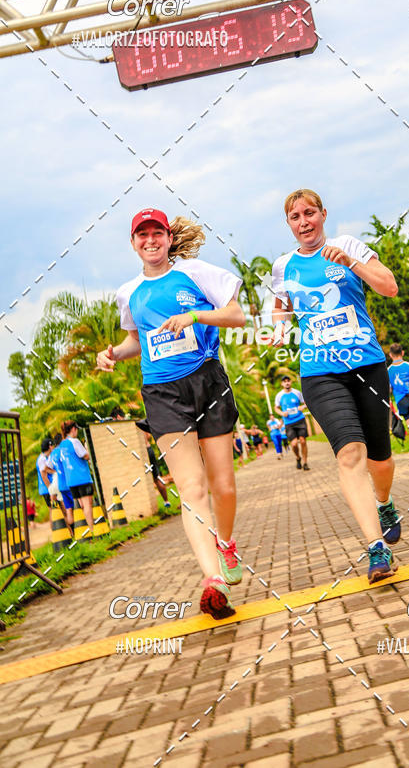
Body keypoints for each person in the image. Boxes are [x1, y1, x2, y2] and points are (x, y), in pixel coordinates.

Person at [96, 207, 246, 620]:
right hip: (162, 392)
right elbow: (136, 342)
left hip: (207, 381)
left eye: (156, 233)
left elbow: (236, 315)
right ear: (133, 243)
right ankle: (213, 581)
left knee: (223, 485)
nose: (150, 240)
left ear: (167, 237)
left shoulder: (195, 273)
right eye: (141, 235)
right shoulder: (129, 293)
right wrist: (111, 354)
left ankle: (226, 545)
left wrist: (193, 316)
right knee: (192, 487)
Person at [272, 189, 400, 583]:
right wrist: (278, 327)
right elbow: (280, 307)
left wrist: (352, 263)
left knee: (380, 457)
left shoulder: (346, 245)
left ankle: (385, 502)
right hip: (319, 371)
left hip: (367, 364)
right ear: (289, 224)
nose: (304, 221)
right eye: (295, 217)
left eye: (309, 213)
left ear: (323, 214)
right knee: (350, 453)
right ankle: (376, 548)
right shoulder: (283, 266)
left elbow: (389, 286)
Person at [60, 420, 95, 533]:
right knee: (87, 504)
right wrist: (88, 449)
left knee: (78, 506)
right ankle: (91, 529)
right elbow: (85, 456)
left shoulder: (62, 445)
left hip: (71, 481)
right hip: (82, 478)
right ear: (73, 429)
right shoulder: (74, 442)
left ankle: (81, 531)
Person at [275, 376, 309, 470]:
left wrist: (303, 407)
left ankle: (305, 463)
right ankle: (298, 457)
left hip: (300, 419)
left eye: (288, 381)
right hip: (288, 422)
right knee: (293, 444)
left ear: (291, 382)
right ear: (282, 384)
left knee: (303, 441)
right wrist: (282, 413)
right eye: (284, 381)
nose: (287, 383)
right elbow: (276, 408)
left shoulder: (297, 393)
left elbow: (306, 403)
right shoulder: (279, 395)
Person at [135, 418, 171, 507]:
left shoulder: (130, 426)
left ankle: (159, 503)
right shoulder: (139, 422)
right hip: (149, 449)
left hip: (143, 452)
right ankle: (166, 501)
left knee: (146, 478)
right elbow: (148, 436)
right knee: (156, 477)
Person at [47, 432, 75, 534]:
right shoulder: (63, 450)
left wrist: (56, 471)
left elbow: (47, 467)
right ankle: (79, 529)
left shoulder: (53, 453)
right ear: (62, 439)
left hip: (60, 484)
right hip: (69, 482)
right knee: (77, 506)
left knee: (68, 510)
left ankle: (68, 531)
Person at [36, 437, 55, 510]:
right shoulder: (42, 459)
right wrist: (51, 489)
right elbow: (44, 476)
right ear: (50, 446)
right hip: (47, 489)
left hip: (48, 489)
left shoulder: (46, 457)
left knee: (55, 510)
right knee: (54, 509)